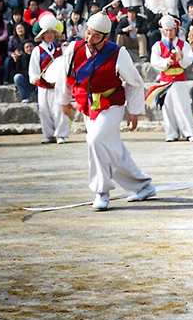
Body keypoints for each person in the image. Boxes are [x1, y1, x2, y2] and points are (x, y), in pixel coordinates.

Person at [59, 11, 156, 210]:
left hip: (112, 104)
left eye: (95, 36)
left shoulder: (118, 53)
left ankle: (101, 191)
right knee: (112, 149)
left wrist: (134, 111)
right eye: (88, 33)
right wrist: (64, 100)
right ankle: (143, 186)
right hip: (88, 105)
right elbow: (64, 75)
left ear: (105, 37)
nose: (89, 38)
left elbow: (134, 84)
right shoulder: (74, 49)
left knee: (94, 140)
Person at [147, 14, 193, 141]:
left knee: (183, 106)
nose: (169, 33)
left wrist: (181, 59)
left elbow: (189, 59)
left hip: (179, 78)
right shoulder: (158, 45)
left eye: (171, 30)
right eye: (166, 30)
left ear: (175, 30)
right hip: (165, 79)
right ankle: (171, 133)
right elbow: (154, 61)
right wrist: (165, 63)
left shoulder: (183, 44)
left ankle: (188, 132)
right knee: (167, 107)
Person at [28, 13, 70, 144]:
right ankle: (48, 134)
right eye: (47, 33)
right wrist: (34, 77)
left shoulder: (62, 48)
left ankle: (61, 134)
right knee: (44, 110)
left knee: (59, 109)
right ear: (43, 35)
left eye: (52, 32)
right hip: (43, 85)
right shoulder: (37, 50)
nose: (50, 35)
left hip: (58, 85)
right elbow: (34, 66)